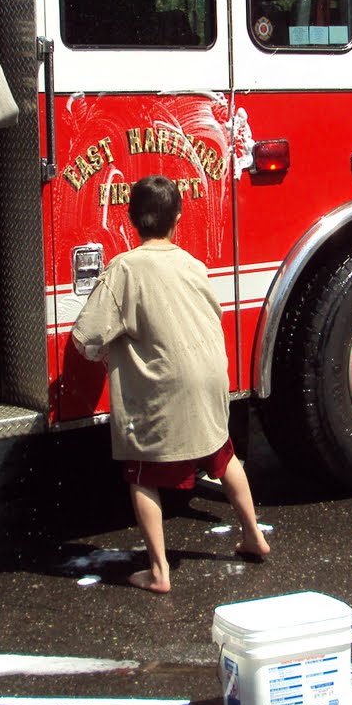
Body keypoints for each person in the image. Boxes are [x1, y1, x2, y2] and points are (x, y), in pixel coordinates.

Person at [72, 175, 270, 593]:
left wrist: (105, 353)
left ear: (130, 221)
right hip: (211, 373)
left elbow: (86, 336)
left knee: (141, 473)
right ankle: (254, 536)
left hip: (166, 385)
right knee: (222, 455)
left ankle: (159, 571)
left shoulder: (124, 267)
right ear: (177, 220)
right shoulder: (193, 264)